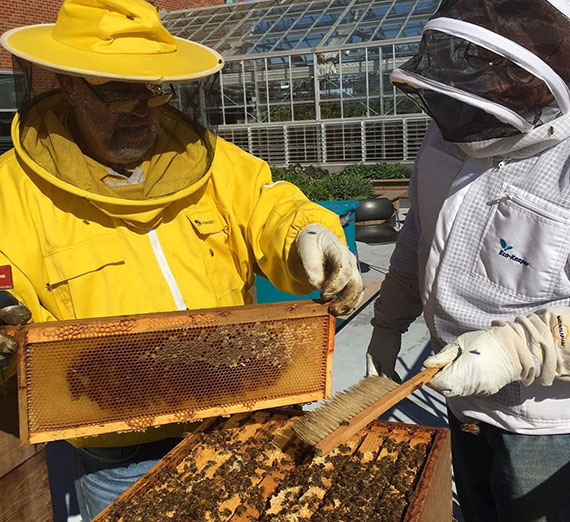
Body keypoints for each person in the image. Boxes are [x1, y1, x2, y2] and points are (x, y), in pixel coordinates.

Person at [0, 0, 363, 519]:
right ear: (71, 85)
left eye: (153, 89)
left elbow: (269, 204)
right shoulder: (10, 192)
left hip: (246, 416)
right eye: (121, 93)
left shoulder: (209, 160)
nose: (143, 110)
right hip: (119, 448)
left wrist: (306, 231)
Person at [366, 1, 570, 521]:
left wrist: (514, 350)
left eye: (515, 66)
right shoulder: (454, 120)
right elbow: (419, 235)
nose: (496, 82)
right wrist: (388, 323)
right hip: (459, 397)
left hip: (547, 424)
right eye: (486, 56)